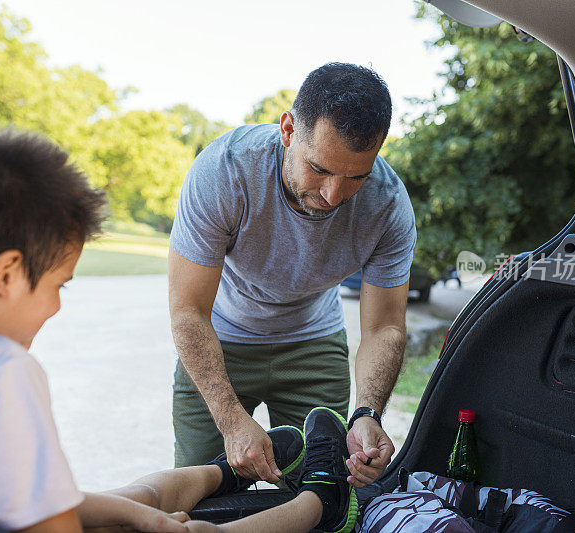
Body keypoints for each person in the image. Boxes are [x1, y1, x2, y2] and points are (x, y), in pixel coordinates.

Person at [0, 127, 359, 533]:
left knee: (139, 504)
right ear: (8, 274)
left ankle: (215, 478)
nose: (55, 307)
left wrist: (146, 518)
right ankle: (319, 504)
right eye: (59, 285)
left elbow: (44, 501)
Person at [168, 62, 417, 489]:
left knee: (325, 493)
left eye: (355, 176)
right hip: (221, 342)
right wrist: (231, 421)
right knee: (196, 491)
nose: (332, 195)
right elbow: (188, 309)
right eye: (319, 168)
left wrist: (367, 414)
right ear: (287, 130)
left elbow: (385, 327)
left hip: (313, 344)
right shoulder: (224, 172)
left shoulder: (388, 206)